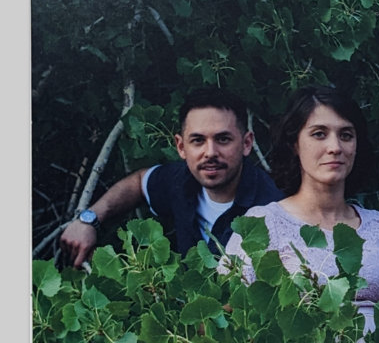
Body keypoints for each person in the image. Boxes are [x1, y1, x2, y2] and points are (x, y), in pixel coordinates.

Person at [221, 85, 379, 335]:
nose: (335, 147)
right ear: (294, 143)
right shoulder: (262, 223)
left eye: (346, 135)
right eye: (319, 134)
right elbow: (228, 319)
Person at [59, 87, 283, 267]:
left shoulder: (275, 208)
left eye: (223, 139)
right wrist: (89, 220)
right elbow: (139, 182)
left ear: (246, 143)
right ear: (181, 146)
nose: (210, 152)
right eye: (197, 140)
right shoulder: (181, 180)